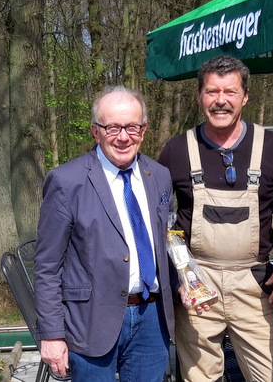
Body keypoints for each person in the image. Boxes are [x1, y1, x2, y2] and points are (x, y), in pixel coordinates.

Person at [158, 55, 273, 382]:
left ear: (245, 97)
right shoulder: (177, 150)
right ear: (199, 96)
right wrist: (182, 272)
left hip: (256, 285)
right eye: (212, 91)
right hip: (197, 288)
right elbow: (161, 223)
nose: (221, 100)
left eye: (230, 92)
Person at [34, 86, 176, 382]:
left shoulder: (159, 175)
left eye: (132, 127)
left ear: (144, 129)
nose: (123, 137)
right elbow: (47, 268)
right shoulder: (66, 182)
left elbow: (167, 243)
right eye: (113, 127)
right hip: (91, 321)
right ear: (95, 131)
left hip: (152, 319)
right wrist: (51, 335)